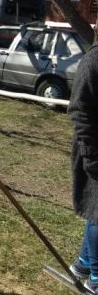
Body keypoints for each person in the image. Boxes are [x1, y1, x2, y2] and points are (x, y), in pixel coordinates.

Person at [68, 40, 98, 293]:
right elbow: (79, 110)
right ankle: (97, 280)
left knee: (96, 210)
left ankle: (83, 264)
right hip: (93, 149)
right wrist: (91, 155)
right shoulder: (94, 60)